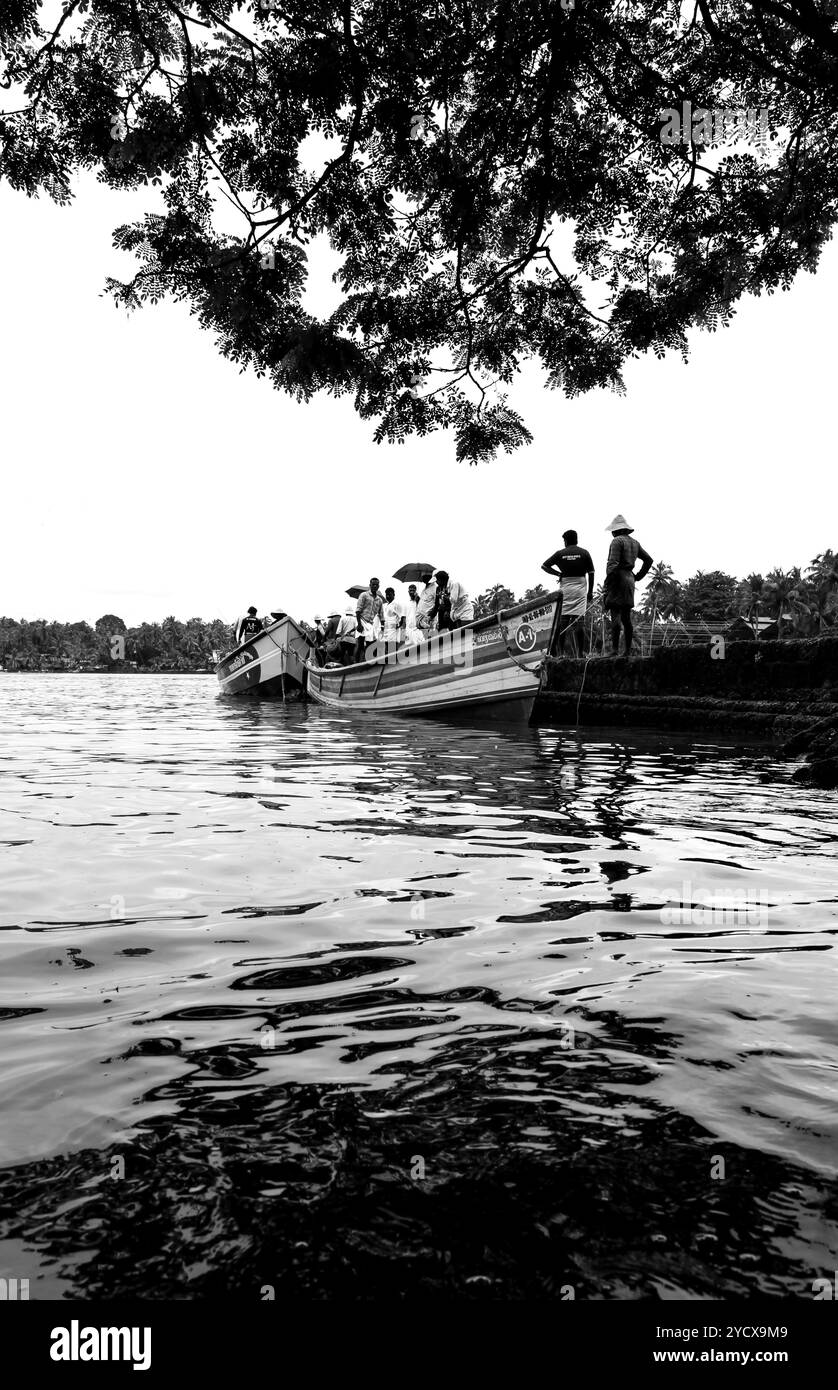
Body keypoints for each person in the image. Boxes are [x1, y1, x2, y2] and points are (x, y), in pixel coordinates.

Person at [602, 514, 653, 656]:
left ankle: (614, 650)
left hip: (618, 578)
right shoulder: (635, 543)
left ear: (616, 530)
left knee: (615, 615)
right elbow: (648, 560)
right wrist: (637, 577)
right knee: (626, 617)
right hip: (629, 579)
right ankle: (627, 651)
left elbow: (612, 565)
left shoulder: (617, 541)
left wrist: (607, 585)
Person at [541, 529, 595, 657]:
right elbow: (591, 573)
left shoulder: (560, 554)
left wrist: (559, 573)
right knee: (579, 621)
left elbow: (544, 566)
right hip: (580, 587)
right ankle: (580, 653)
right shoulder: (584, 552)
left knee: (563, 621)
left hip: (566, 587)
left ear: (566, 541)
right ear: (576, 539)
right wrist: (590, 592)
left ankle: (560, 653)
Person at [355, 578, 384, 662]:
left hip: (370, 624)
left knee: (370, 645)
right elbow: (358, 611)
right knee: (360, 645)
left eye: (376, 585)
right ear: (370, 585)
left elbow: (381, 615)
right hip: (362, 620)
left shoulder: (379, 600)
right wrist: (359, 624)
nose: (375, 586)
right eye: (373, 584)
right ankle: (355, 665)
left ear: (378, 586)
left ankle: (368, 663)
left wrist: (382, 627)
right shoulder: (364, 595)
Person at [382, 587, 406, 656]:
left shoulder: (396, 604)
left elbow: (402, 617)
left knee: (392, 649)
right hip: (387, 630)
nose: (388, 596)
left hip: (393, 631)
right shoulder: (386, 605)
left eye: (389, 594)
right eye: (386, 595)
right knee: (387, 647)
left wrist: (398, 626)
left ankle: (394, 665)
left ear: (393, 594)